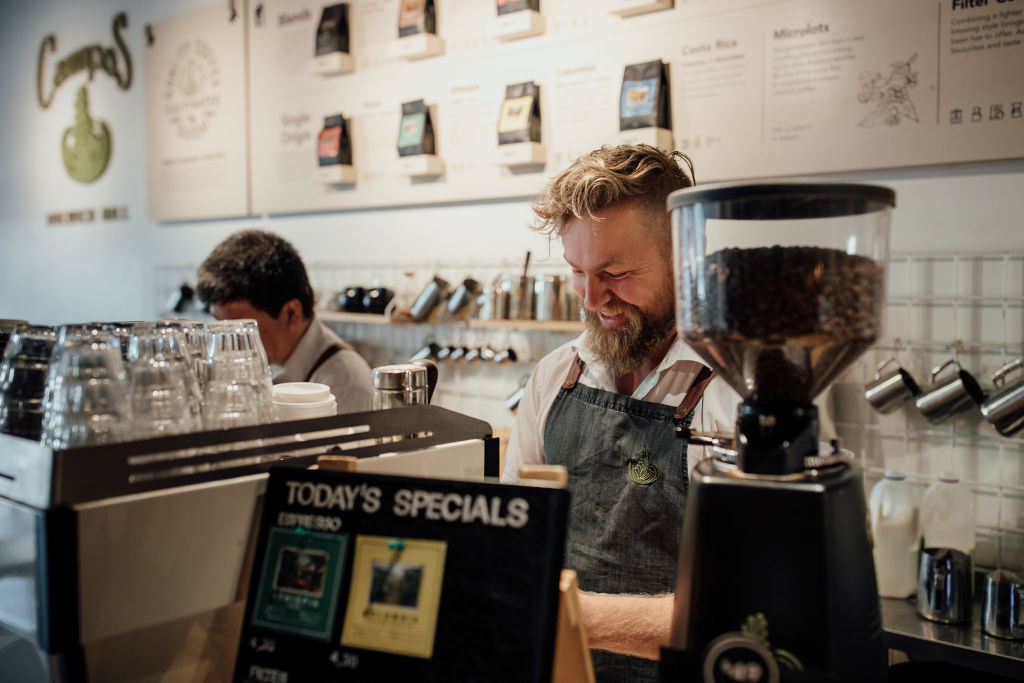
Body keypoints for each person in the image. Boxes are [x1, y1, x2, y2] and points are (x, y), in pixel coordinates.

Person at [501, 144, 743, 682]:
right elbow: (519, 548)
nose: (592, 298)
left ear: (685, 255)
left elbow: (747, 611)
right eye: (577, 271)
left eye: (615, 272)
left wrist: (570, 615)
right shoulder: (555, 376)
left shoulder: (738, 394)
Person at [197, 229, 372, 413]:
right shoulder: (271, 364)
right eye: (220, 328)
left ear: (291, 313)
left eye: (240, 331)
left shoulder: (346, 385)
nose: (227, 348)